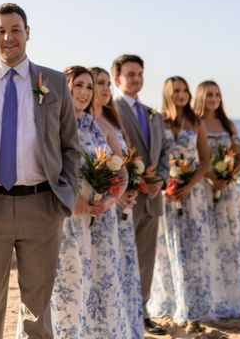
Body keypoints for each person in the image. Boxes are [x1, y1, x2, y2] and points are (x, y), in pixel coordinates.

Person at [0, 3, 80, 339]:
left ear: (28, 32)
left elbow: (71, 146)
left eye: (15, 29)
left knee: (37, 311)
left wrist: (65, 198)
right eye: (0, 31)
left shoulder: (55, 82)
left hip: (42, 206)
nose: (8, 37)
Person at [51, 66, 130, 338]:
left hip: (100, 223)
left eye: (89, 87)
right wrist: (76, 206)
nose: (85, 92)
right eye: (79, 85)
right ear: (66, 87)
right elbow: (45, 173)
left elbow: (121, 171)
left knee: (101, 285)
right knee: (69, 287)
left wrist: (109, 200)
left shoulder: (96, 126)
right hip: (67, 220)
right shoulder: (55, 124)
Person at [147, 76, 214, 330]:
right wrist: (164, 186)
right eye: (176, 90)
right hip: (165, 195)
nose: (182, 94)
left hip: (191, 195)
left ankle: (193, 309)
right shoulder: (157, 120)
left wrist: (188, 186)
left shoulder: (196, 123)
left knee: (192, 251)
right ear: (167, 93)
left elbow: (205, 160)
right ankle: (172, 304)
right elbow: (152, 157)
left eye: (185, 90)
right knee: (166, 251)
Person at [111, 54, 168, 335]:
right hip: (126, 199)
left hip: (154, 198)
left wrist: (162, 179)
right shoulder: (112, 110)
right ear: (117, 78)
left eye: (140, 73)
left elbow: (165, 152)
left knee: (146, 259)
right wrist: (133, 182)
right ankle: (122, 312)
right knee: (123, 258)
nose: (137, 79)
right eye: (131, 74)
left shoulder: (153, 114)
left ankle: (142, 312)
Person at [89, 66, 145, 338]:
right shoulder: (79, 121)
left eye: (106, 84)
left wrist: (129, 188)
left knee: (118, 269)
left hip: (117, 209)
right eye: (97, 83)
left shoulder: (111, 122)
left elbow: (123, 164)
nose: (103, 89)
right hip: (98, 206)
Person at [194, 80, 240, 317]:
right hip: (203, 189)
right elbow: (197, 157)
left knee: (227, 241)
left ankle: (230, 295)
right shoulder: (195, 123)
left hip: (227, 191)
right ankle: (210, 295)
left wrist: (229, 175)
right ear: (200, 97)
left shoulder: (227, 124)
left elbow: (239, 157)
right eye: (209, 95)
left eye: (217, 95)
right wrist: (210, 177)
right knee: (206, 240)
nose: (214, 99)